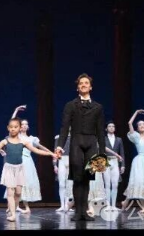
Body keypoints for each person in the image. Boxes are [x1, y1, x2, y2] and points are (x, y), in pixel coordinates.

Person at [0, 117, 57, 222]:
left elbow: (36, 150)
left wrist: (51, 154)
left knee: (18, 193)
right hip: (9, 168)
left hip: (20, 169)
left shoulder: (23, 142)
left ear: (19, 128)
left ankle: (13, 208)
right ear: (8, 128)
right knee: (10, 192)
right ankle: (13, 214)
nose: (13, 129)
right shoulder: (5, 141)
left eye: (15, 127)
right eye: (11, 127)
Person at [55, 73, 106, 222]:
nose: (83, 85)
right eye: (81, 83)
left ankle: (85, 212)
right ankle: (78, 212)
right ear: (77, 88)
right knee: (77, 177)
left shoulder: (98, 107)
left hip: (91, 143)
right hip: (76, 142)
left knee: (88, 178)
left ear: (90, 87)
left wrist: (102, 154)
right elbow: (64, 128)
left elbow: (100, 131)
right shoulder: (70, 105)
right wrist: (60, 146)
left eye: (86, 83)